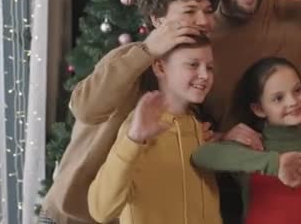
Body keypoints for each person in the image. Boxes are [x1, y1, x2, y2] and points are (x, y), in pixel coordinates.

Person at [39, 0, 223, 224]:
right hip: (73, 214)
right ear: (158, 20)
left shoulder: (195, 68)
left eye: (207, 11)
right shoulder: (129, 58)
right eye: (190, 11)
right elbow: (85, 108)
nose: (203, 21)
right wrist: (147, 50)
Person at [192, 57, 301, 224]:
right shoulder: (251, 147)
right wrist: (274, 163)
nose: (293, 101)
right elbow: (202, 155)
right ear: (259, 108)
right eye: (278, 98)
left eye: (298, 90)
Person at [88, 34, 221, 224]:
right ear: (160, 67)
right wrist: (134, 139)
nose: (205, 75)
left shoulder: (200, 129)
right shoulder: (136, 129)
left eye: (210, 67)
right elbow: (101, 210)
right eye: (193, 65)